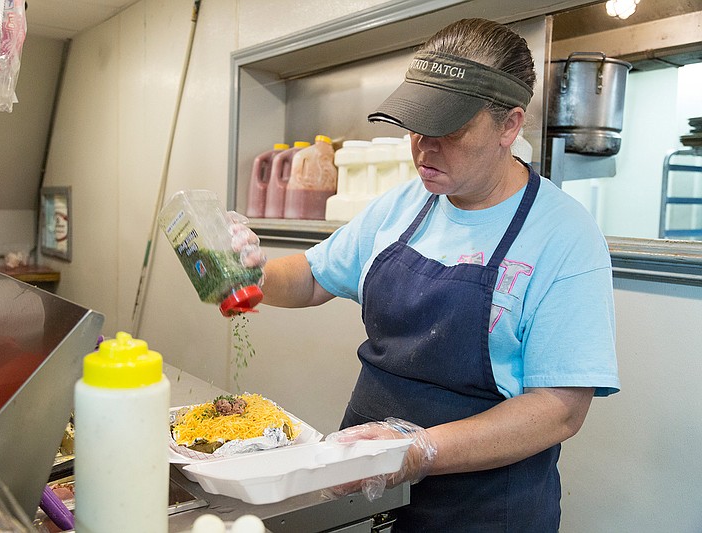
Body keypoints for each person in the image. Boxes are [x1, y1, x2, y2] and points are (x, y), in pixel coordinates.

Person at [231, 18, 619, 532]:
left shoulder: (565, 236)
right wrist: (249, 274)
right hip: (370, 490)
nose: (423, 147)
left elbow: (560, 410)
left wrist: (420, 451)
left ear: (510, 126)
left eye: (450, 129)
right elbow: (312, 276)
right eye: (416, 125)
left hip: (483, 510)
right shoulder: (406, 203)